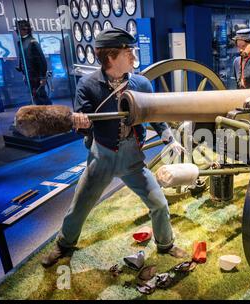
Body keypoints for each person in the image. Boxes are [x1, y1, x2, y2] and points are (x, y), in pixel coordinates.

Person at [41, 28, 188, 268]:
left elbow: (155, 114)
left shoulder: (140, 83)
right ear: (110, 56)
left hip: (132, 157)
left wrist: (168, 136)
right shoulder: (87, 86)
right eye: (127, 51)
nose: (132, 56)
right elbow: (85, 127)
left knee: (159, 203)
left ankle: (165, 244)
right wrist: (82, 124)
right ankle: (64, 244)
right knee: (79, 206)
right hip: (103, 156)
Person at [15, 20, 52, 105]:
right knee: (35, 97)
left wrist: (43, 77)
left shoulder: (32, 42)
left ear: (25, 29)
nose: (17, 31)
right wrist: (24, 73)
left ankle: (51, 115)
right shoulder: (20, 42)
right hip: (29, 76)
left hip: (36, 76)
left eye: (19, 29)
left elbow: (42, 60)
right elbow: (22, 58)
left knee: (41, 97)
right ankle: (41, 115)